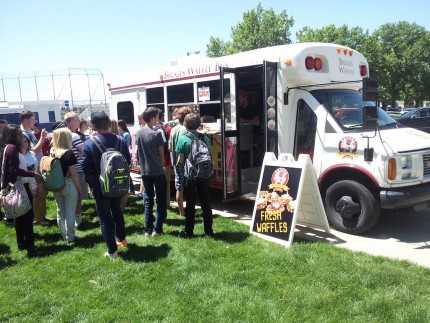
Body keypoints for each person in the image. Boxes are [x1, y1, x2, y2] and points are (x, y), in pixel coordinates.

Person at [82, 111, 131, 259]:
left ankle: (112, 251)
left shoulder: (89, 143)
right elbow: (127, 161)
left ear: (94, 126)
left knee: (105, 218)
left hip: (100, 186)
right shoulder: (120, 140)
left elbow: (86, 168)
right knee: (117, 212)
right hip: (118, 185)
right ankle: (122, 240)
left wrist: (92, 183)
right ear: (109, 124)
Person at [1, 124, 43, 256]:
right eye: (18, 134)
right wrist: (33, 174)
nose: (20, 136)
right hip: (21, 186)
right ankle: (31, 246)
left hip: (15, 185)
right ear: (12, 135)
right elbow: (14, 170)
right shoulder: (13, 148)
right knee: (27, 216)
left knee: (20, 217)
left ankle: (21, 243)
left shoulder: (8, 147)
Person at [176, 114, 214, 238]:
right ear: (198, 125)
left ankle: (189, 230)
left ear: (185, 124)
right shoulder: (205, 138)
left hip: (190, 175)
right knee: (206, 203)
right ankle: (208, 230)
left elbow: (181, 161)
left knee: (191, 203)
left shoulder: (182, 139)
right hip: (205, 174)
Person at [135, 107, 167, 237]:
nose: (158, 119)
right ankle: (157, 229)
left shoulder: (139, 133)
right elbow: (161, 154)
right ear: (153, 118)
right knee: (160, 200)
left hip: (145, 171)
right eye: (157, 117)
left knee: (148, 200)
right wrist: (163, 166)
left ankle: (147, 230)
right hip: (157, 171)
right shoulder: (157, 133)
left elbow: (138, 152)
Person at [52, 128, 82, 243]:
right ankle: (71, 236)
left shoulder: (52, 151)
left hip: (56, 184)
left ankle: (64, 236)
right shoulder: (69, 153)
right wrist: (80, 189)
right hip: (68, 183)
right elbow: (74, 174)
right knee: (70, 211)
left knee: (60, 211)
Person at [20, 110, 49, 225]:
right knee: (38, 193)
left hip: (36, 165)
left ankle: (40, 216)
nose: (35, 121)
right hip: (32, 168)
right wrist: (42, 137)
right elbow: (34, 150)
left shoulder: (28, 132)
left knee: (41, 192)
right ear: (26, 120)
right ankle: (38, 218)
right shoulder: (23, 133)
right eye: (33, 119)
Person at [64, 112, 88, 228]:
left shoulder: (62, 134)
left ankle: (68, 219)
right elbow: (84, 151)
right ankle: (78, 220)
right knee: (79, 195)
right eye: (77, 120)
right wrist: (80, 150)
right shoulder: (75, 136)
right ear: (72, 122)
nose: (79, 122)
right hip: (77, 170)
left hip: (64, 171)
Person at [168, 106, 193, 216]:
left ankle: (181, 211)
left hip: (176, 161)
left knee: (179, 186)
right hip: (185, 162)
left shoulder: (173, 129)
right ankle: (186, 210)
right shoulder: (185, 130)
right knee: (188, 187)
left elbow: (169, 147)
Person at [153, 109, 172, 209]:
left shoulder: (150, 129)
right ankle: (166, 204)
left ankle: (158, 203)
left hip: (154, 161)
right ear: (162, 117)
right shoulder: (168, 129)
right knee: (167, 183)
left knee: (155, 184)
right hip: (166, 161)